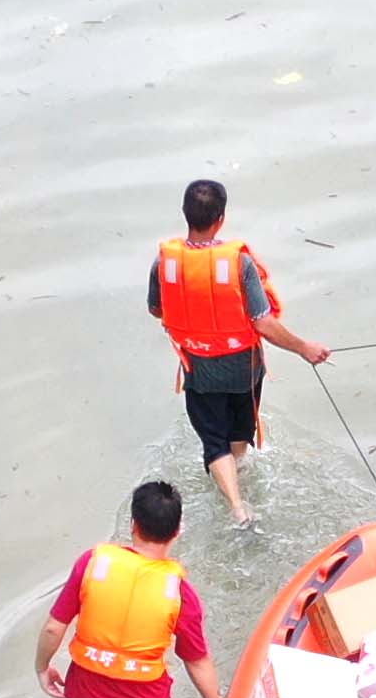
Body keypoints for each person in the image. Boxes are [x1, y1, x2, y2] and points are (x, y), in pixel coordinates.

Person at [142, 177, 332, 528]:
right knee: (238, 434)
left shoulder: (164, 264)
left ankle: (236, 507)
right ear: (221, 219)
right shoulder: (239, 265)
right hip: (243, 368)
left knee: (213, 441)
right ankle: (239, 474)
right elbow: (263, 322)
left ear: (186, 215)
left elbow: (157, 309)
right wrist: (305, 348)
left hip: (199, 369)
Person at [37, 478, 208, 698]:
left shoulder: (92, 563)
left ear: (132, 525)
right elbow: (196, 659)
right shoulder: (179, 592)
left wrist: (43, 667)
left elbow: (55, 627)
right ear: (177, 531)